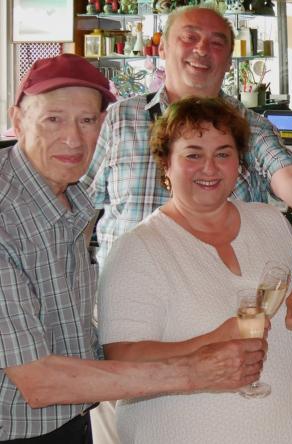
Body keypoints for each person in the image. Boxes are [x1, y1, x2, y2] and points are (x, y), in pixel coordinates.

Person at [0, 54, 265, 442]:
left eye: (87, 120)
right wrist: (195, 373)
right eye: (53, 118)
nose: (73, 138)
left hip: (70, 423)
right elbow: (39, 382)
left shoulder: (71, 198)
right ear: (18, 119)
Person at [96, 96, 292, 444]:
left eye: (223, 153)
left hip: (285, 429)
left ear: (239, 162)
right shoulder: (138, 248)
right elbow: (123, 360)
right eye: (193, 155)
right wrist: (213, 339)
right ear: (165, 163)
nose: (209, 168)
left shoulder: (271, 222)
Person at [81, 4, 292, 267]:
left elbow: (291, 176)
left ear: (228, 60)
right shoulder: (119, 119)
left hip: (224, 298)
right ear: (163, 49)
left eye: (216, 43)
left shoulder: (248, 125)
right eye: (189, 37)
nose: (202, 49)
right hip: (130, 296)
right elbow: (80, 209)